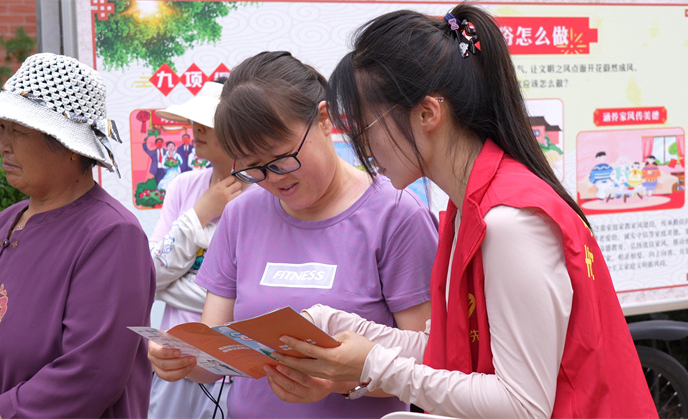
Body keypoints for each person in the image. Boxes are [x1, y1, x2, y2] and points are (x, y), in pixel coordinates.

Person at [265, 5, 658, 418]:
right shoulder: (471, 205)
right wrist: (337, 326)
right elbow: (447, 349)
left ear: (427, 114)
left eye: (365, 128)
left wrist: (373, 365)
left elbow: (522, 406)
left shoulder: (509, 223)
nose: (363, 148)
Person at [147, 51, 438, 418]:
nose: (272, 179)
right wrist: (184, 360)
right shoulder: (241, 214)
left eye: (281, 158)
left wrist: (337, 381)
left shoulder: (396, 215)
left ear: (323, 119)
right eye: (253, 168)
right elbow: (216, 355)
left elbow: (431, 364)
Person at [0, 53, 155, 417]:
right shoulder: (4, 222)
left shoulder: (112, 235)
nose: (3, 144)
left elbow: (92, 374)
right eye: (2, 127)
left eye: (18, 131)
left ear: (68, 147)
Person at [148, 80, 250, 418]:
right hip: (173, 361)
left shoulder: (264, 197)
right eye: (195, 121)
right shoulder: (183, 186)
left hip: (237, 368)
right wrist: (200, 213)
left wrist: (172, 287)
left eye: (208, 122)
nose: (196, 129)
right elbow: (150, 275)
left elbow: (249, 300)